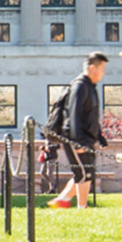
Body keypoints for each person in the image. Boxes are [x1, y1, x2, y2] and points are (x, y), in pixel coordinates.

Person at [47, 52, 111, 209]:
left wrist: (100, 137)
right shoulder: (80, 87)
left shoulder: (90, 87)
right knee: (83, 174)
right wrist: (78, 143)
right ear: (92, 68)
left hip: (86, 138)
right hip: (75, 138)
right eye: (102, 69)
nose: (103, 73)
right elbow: (74, 115)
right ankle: (81, 207)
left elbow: (91, 115)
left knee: (86, 172)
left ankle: (63, 200)